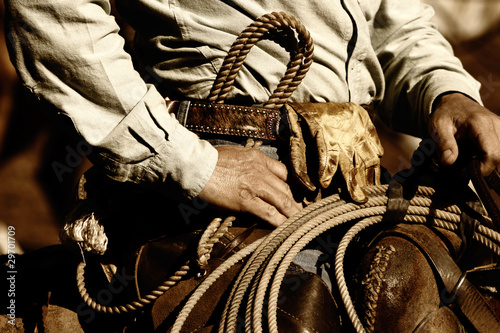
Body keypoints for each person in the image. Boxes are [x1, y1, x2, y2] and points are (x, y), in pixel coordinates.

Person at [4, 0, 500, 224]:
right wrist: (191, 162)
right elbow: (51, 11)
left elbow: (395, 28)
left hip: (357, 175)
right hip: (226, 170)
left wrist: (448, 94)